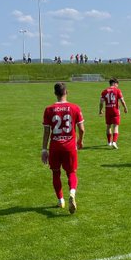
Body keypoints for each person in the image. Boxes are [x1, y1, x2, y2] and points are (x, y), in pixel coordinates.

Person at [42, 83, 85, 213]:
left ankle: (61, 200)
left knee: (56, 173)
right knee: (71, 172)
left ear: (55, 93)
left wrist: (44, 149)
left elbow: (46, 132)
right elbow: (82, 129)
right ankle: (72, 193)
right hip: (70, 147)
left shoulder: (49, 109)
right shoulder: (75, 108)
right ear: (67, 92)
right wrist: (80, 141)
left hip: (55, 147)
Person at [99, 78, 128, 149]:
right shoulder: (117, 90)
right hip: (115, 110)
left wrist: (100, 110)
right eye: (117, 84)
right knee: (115, 126)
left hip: (108, 111)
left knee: (108, 126)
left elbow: (101, 102)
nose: (117, 86)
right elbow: (122, 100)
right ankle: (114, 142)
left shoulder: (104, 91)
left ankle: (109, 142)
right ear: (115, 83)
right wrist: (125, 108)